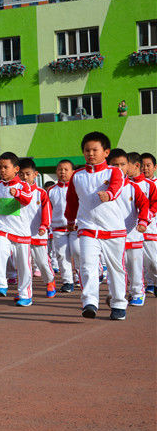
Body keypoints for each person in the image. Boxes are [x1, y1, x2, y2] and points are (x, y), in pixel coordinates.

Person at [65, 132, 144, 320]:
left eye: (95, 150)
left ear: (106, 152)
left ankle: (118, 304)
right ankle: (90, 302)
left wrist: (108, 194)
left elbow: (116, 187)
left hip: (113, 230)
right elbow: (71, 202)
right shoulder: (77, 176)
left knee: (116, 268)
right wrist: (70, 220)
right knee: (87, 265)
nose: (90, 154)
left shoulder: (113, 172)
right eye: (87, 150)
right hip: (88, 228)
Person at [0, 151, 34, 305]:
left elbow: (27, 199)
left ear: (16, 169)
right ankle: (1, 285)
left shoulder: (24, 185)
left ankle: (25, 295)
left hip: (21, 232)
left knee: (23, 266)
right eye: (0, 167)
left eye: (5, 167)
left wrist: (18, 194)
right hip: (2, 229)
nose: (2, 170)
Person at [110, 151, 152, 307]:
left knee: (134, 267)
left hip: (133, 235)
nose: (119, 168)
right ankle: (118, 294)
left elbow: (144, 205)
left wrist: (142, 221)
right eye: (115, 165)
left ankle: (137, 293)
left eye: (122, 164)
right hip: (112, 236)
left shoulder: (133, 187)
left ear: (128, 166)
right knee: (117, 269)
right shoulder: (105, 187)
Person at [19, 158, 57, 298]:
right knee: (24, 263)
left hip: (37, 232)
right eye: (21, 174)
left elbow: (47, 210)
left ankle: (50, 281)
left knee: (42, 262)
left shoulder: (41, 193)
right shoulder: (15, 192)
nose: (24, 177)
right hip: (21, 234)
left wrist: (44, 226)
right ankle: (25, 292)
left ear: (36, 174)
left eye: (28, 174)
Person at [48, 160, 79, 292]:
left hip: (76, 227)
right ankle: (68, 282)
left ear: (72, 172)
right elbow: (48, 210)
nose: (63, 172)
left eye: (66, 169)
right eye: (60, 169)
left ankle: (80, 276)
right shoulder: (51, 190)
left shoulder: (78, 188)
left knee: (78, 251)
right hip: (58, 228)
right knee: (61, 255)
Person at [140, 152, 157, 296]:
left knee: (154, 259)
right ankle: (150, 283)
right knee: (146, 259)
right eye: (143, 166)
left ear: (155, 167)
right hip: (143, 227)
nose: (145, 168)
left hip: (153, 225)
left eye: (148, 165)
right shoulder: (137, 185)